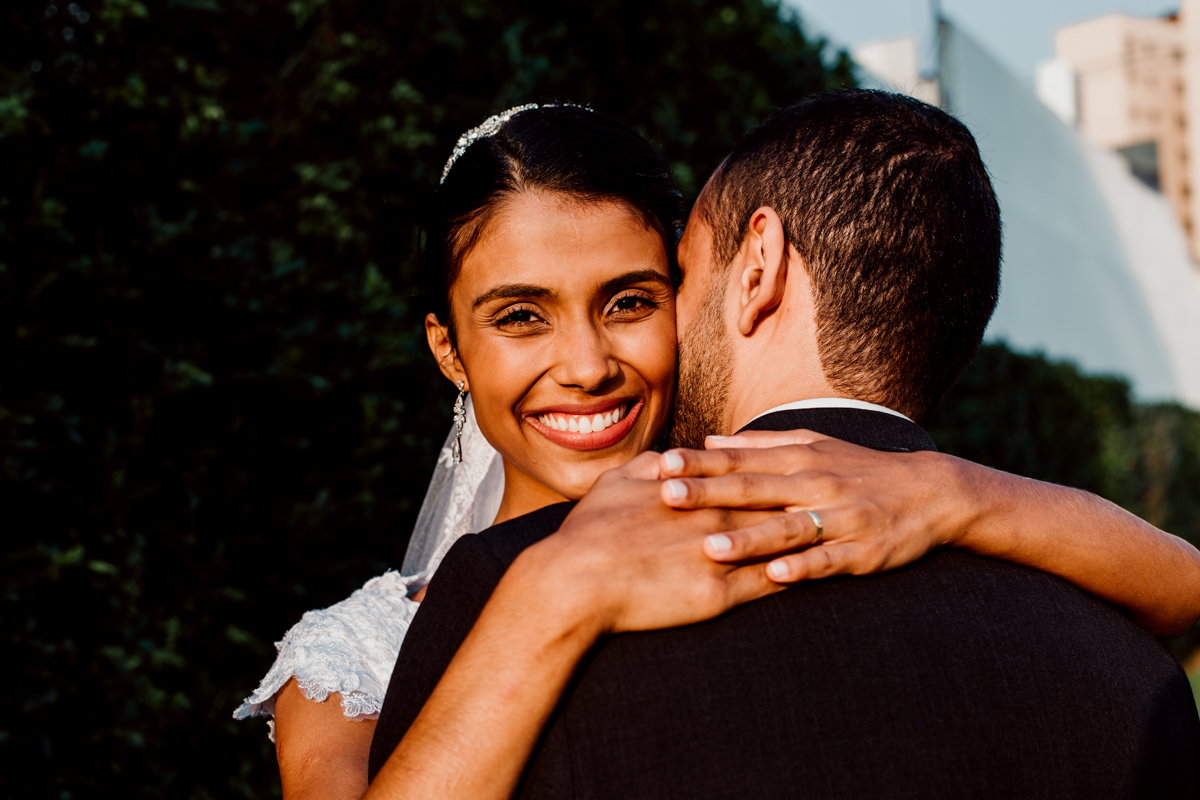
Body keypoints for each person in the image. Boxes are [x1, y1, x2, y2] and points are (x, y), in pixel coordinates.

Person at [238, 102, 1200, 800]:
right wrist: (552, 591)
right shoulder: (352, 655)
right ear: (449, 348)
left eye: (631, 301)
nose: (586, 366)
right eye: (521, 317)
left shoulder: (855, 508)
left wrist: (954, 492)